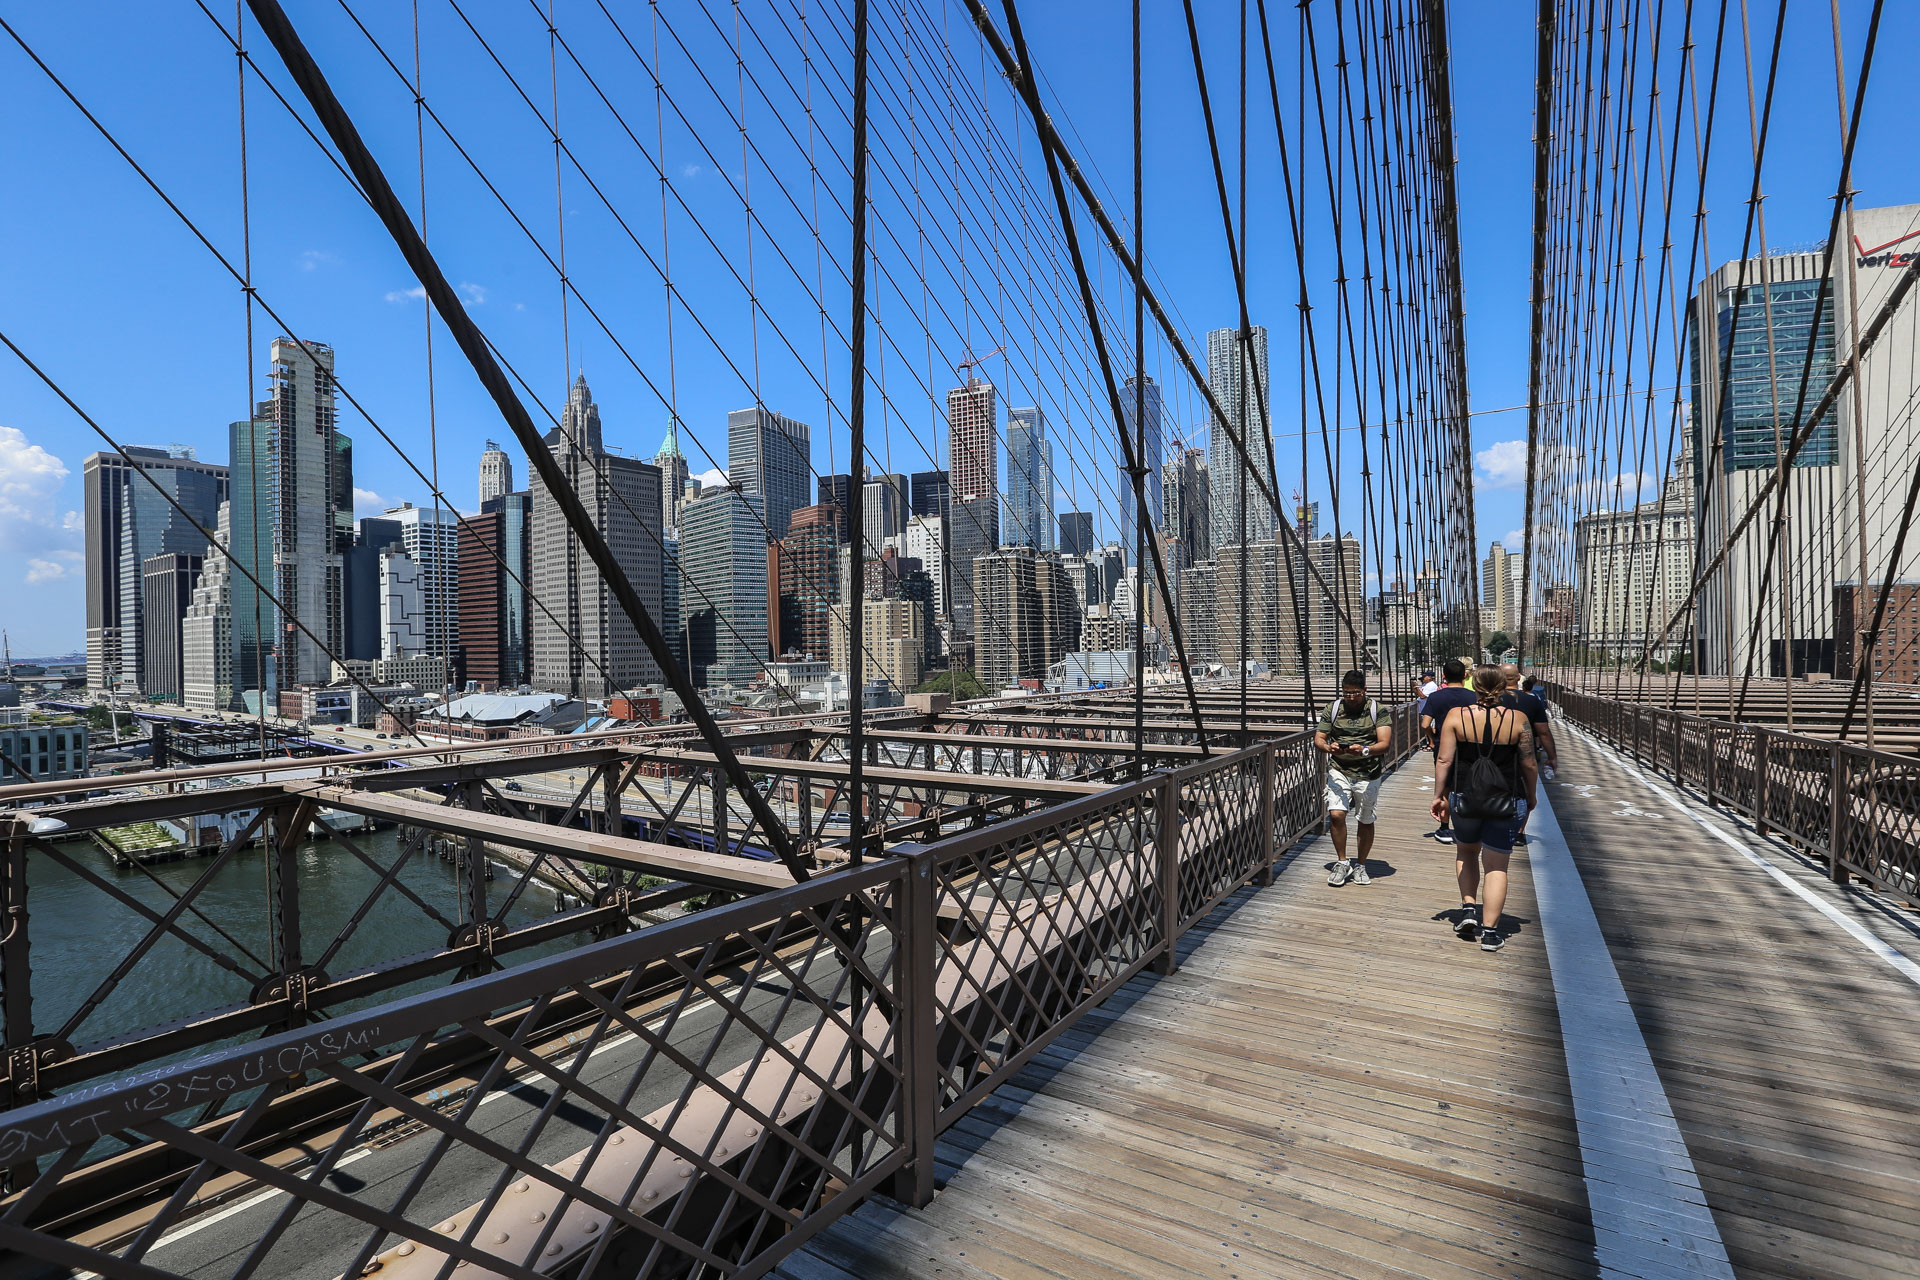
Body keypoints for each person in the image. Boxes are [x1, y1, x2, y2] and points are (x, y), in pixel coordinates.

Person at [1431, 665, 1539, 951]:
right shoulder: (1519, 719)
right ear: (1503, 686)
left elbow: (1443, 761)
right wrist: (1531, 795)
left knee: (1466, 851)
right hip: (1507, 799)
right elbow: (1529, 762)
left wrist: (1438, 795)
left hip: (1465, 797)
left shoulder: (1457, 716)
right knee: (1497, 865)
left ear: (1474, 686)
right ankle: (1490, 933)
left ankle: (1468, 909)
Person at [1317, 670, 1392, 886]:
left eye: (1355, 693)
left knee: (1365, 819)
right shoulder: (1333, 709)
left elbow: (1385, 743)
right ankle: (1342, 862)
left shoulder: (1378, 710)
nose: (1351, 697)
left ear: (1365, 691)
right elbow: (1319, 738)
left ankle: (1361, 865)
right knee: (1337, 814)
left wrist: (1365, 750)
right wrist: (1328, 747)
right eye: (1347, 693)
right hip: (1339, 768)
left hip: (1368, 772)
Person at [1498, 662, 1556, 845]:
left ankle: (1495, 826)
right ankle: (1520, 831)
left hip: (1497, 751)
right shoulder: (1531, 701)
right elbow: (1544, 732)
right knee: (1524, 791)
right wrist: (1552, 757)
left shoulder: (1491, 700)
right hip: (1524, 750)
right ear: (1518, 678)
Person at [1420, 659, 1477, 845]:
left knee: (1445, 788)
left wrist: (1432, 736)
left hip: (1442, 746)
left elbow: (1425, 724)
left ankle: (1444, 828)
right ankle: (1469, 825)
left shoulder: (1436, 697)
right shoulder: (1474, 696)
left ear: (1443, 676)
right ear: (1464, 675)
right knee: (1468, 785)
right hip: (1469, 746)